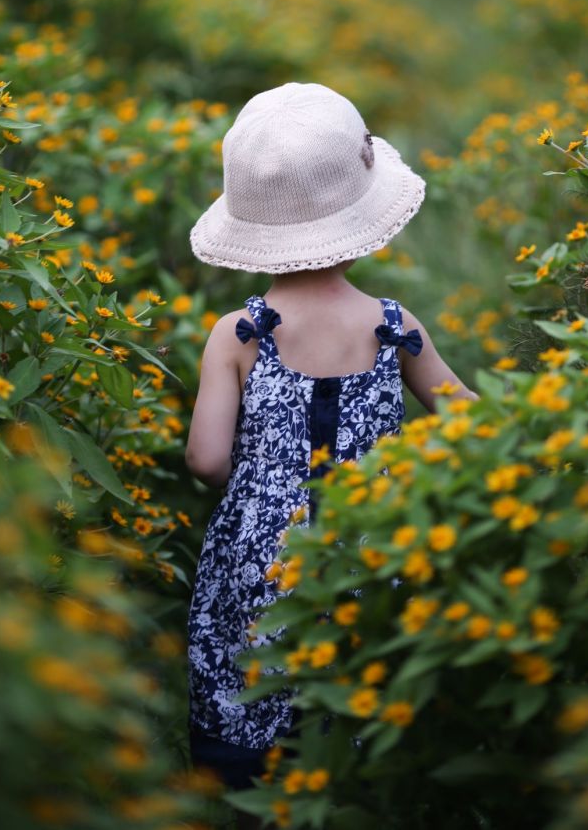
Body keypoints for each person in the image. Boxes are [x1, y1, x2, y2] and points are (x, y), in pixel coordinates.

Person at [184, 81, 479, 795]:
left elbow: (206, 457)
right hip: (371, 537)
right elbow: (464, 415)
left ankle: (255, 781)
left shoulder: (239, 334)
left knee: (250, 658)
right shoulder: (391, 323)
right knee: (369, 655)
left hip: (264, 550)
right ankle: (366, 774)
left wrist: (262, 491)